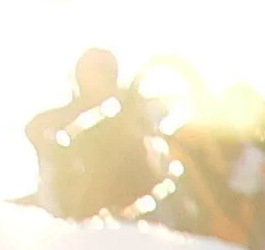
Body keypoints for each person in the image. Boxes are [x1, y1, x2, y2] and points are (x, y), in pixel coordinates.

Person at [23, 47, 164, 221]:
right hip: (75, 212)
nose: (93, 83)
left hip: (129, 211)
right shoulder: (65, 119)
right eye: (88, 75)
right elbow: (35, 129)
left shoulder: (128, 114)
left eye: (102, 75)